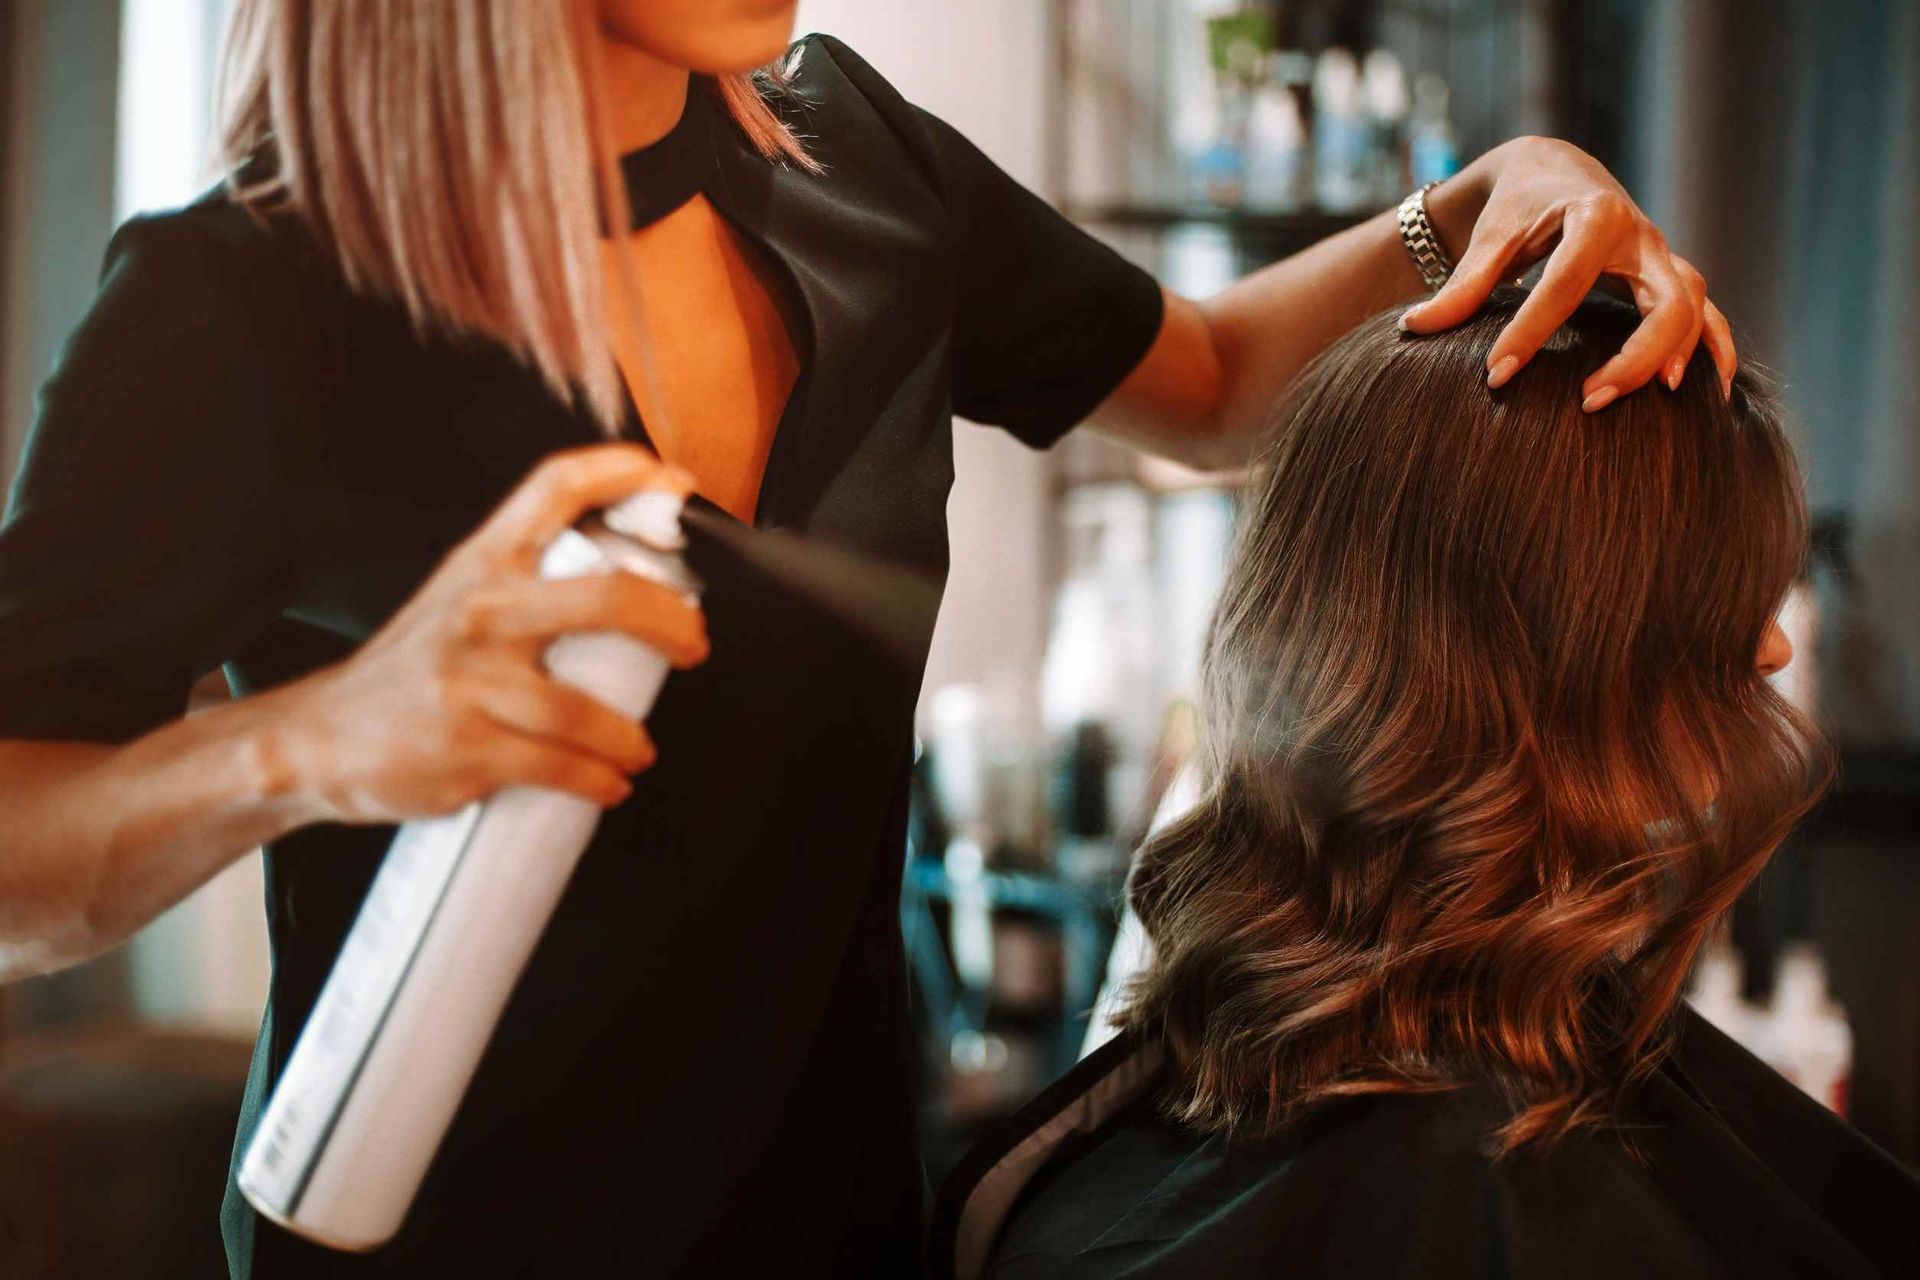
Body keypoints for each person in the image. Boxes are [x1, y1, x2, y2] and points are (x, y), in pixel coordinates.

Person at [0, 0, 1737, 1274]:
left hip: (834, 1228)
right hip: (431, 1237)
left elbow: (1208, 386)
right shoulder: (235, 308)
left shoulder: (855, 166)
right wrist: (309, 742)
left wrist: (1505, 188)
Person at [932, 291, 1920, 1280]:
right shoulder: (1451, 1185)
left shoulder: (1304, 1102)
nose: (1772, 645)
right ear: (1552, 640)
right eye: (1721, 585)